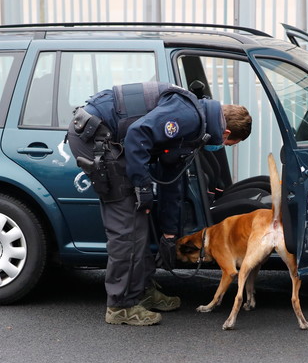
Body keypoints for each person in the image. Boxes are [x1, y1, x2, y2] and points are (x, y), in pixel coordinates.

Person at [66, 81, 252, 326]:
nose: (221, 147)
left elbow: (170, 178)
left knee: (141, 218)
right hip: (95, 138)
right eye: (229, 145)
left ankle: (141, 289)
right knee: (127, 227)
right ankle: (121, 306)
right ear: (226, 133)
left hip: (111, 139)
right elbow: (137, 134)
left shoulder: (196, 125)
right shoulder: (188, 116)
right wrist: (142, 186)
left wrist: (169, 232)